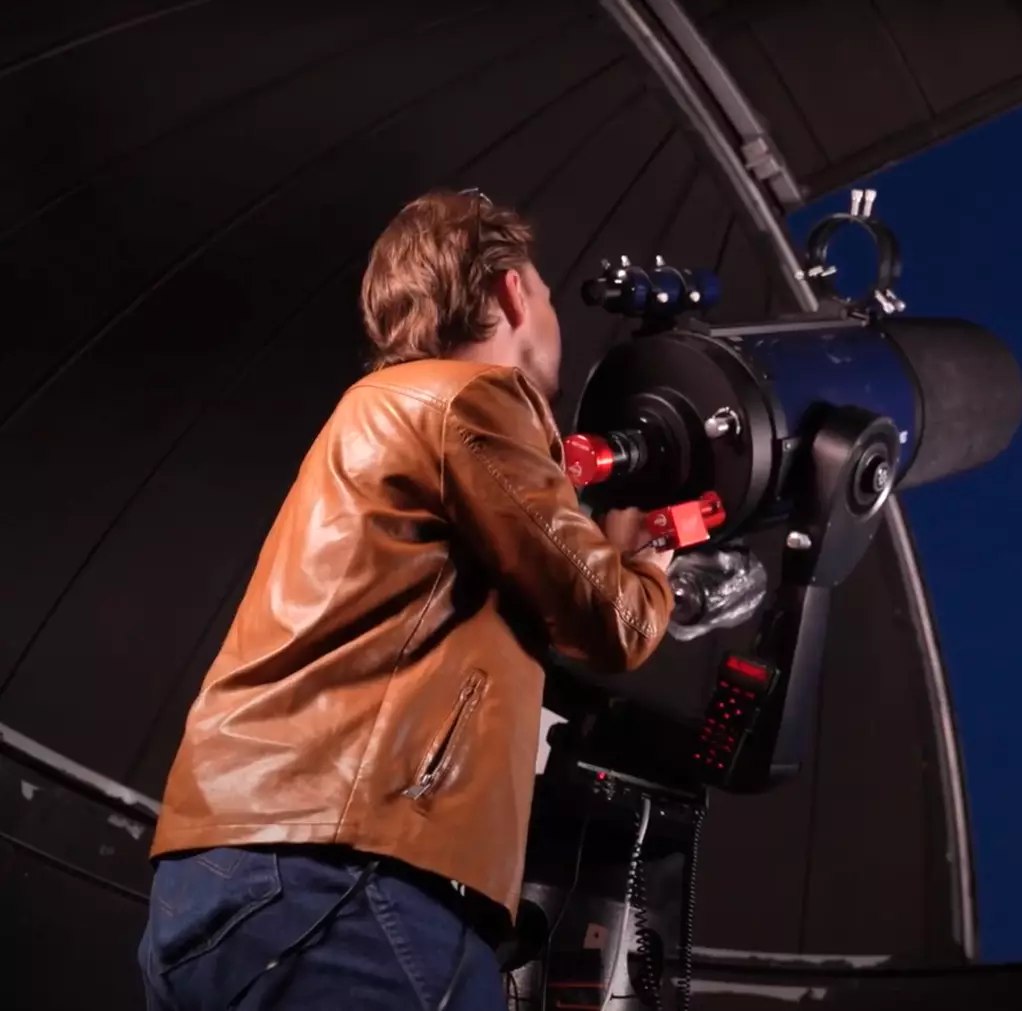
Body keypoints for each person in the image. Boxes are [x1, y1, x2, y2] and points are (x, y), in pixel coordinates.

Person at [136, 189, 676, 1009]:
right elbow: (611, 619)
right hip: (347, 876)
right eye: (544, 289)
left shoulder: (384, 409)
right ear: (510, 293)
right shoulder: (468, 402)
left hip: (221, 875)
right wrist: (649, 562)